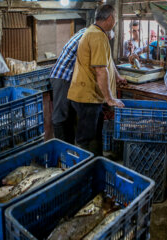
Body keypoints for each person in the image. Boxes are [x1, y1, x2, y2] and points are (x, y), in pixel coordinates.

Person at [67, 4, 125, 155]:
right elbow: (100, 70)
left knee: (95, 134)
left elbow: (107, 63)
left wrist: (116, 76)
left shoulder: (94, 32)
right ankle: (81, 169)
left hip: (90, 96)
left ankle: (95, 164)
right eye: (116, 18)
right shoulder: (97, 36)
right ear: (110, 18)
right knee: (85, 138)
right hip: (87, 96)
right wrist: (110, 99)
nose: (115, 22)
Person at [49, 27, 86, 144]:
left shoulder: (85, 31)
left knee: (69, 115)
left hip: (68, 78)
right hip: (62, 76)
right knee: (59, 116)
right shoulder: (89, 36)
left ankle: (69, 147)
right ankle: (61, 150)